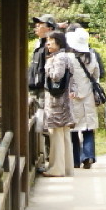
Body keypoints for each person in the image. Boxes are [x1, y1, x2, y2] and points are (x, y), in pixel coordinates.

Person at [42, 30, 77, 177]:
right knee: (64, 135)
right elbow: (72, 78)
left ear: (58, 42)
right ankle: (67, 168)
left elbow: (57, 76)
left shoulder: (58, 58)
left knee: (56, 135)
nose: (48, 43)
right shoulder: (68, 56)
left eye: (51, 40)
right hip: (65, 102)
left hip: (57, 102)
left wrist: (48, 65)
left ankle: (57, 168)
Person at [67, 27, 100, 169]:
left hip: (72, 96)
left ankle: (74, 160)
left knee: (73, 129)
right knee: (88, 128)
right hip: (88, 96)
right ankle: (88, 156)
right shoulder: (92, 57)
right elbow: (96, 75)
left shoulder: (69, 58)